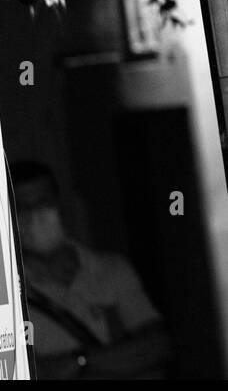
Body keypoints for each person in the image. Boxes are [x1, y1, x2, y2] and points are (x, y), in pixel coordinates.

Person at [11, 160, 172, 379]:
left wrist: (80, 362)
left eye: (42, 202)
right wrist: (119, 356)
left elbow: (156, 345)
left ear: (60, 204)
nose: (34, 216)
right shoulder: (11, 295)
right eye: (22, 207)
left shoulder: (112, 269)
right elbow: (34, 372)